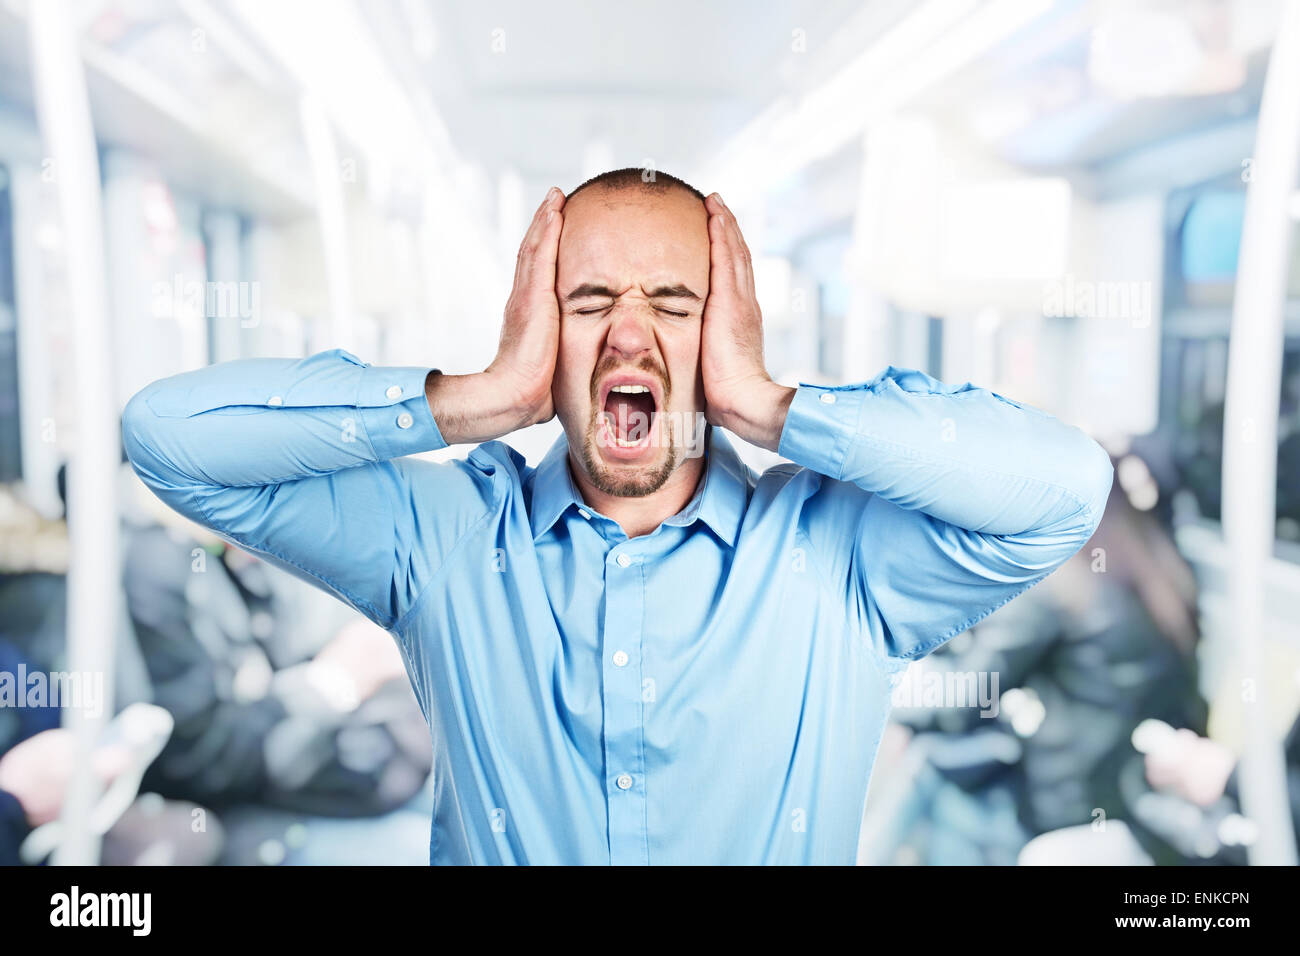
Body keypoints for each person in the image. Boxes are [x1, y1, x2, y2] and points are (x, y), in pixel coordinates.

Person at [121, 169, 1113, 865]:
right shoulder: (445, 539)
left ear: (722, 333)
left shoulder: (838, 558)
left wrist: (770, 404)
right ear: (540, 331)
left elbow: (1063, 487)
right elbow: (168, 436)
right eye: (589, 300)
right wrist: (475, 396)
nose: (630, 332)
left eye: (673, 304)